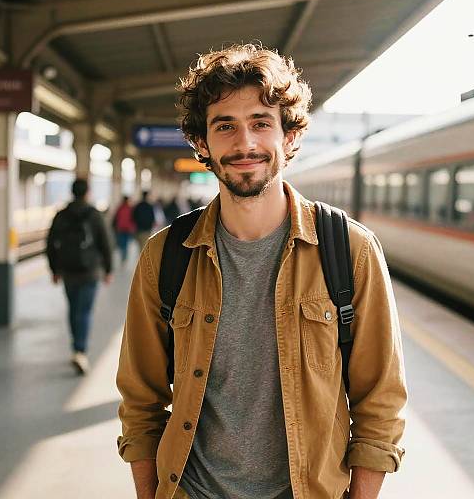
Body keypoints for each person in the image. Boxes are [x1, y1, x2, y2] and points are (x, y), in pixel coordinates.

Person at [116, 44, 407, 499]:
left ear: (289, 138)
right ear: (202, 144)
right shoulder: (166, 255)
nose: (244, 143)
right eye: (225, 126)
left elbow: (381, 400)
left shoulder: (350, 250)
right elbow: (141, 398)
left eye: (260, 123)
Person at [47, 178, 113, 374]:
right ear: (88, 193)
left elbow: (50, 243)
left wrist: (54, 269)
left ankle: (75, 346)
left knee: (73, 309)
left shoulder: (61, 215)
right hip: (90, 270)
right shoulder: (94, 215)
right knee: (84, 311)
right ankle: (80, 351)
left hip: (68, 270)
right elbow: (105, 243)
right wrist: (108, 270)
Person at [113, 195, 136, 264]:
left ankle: (123, 257)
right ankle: (124, 257)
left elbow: (116, 218)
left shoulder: (120, 208)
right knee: (125, 244)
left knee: (122, 244)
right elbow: (133, 219)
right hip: (127, 229)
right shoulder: (130, 208)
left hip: (121, 228)